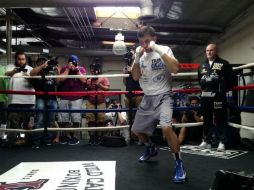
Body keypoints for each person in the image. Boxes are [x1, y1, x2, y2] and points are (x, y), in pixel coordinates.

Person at [131, 26, 186, 183]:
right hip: (147, 98)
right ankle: (150, 147)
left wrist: (157, 49)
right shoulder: (141, 56)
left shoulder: (164, 49)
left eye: (147, 41)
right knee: (136, 130)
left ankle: (179, 164)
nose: (145, 45)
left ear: (155, 39)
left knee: (167, 128)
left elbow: (175, 69)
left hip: (164, 96)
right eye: (141, 42)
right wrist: (136, 58)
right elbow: (135, 77)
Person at [198, 43, 234, 151]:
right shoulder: (202, 66)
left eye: (211, 50)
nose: (209, 52)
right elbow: (200, 81)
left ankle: (221, 142)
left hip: (218, 97)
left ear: (216, 51)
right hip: (205, 97)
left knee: (220, 119)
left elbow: (231, 81)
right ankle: (206, 141)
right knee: (207, 119)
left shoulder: (224, 64)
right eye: (207, 50)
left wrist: (222, 90)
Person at [5, 51, 35, 146]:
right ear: (16, 59)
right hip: (14, 100)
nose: (21, 61)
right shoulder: (10, 67)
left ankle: (28, 141)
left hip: (29, 100)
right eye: (19, 59)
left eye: (23, 59)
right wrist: (15, 71)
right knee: (14, 123)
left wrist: (30, 77)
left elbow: (36, 83)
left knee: (29, 124)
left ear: (25, 59)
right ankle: (13, 142)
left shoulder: (30, 69)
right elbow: (6, 74)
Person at [30, 57, 60, 148]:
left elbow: (57, 83)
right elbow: (31, 74)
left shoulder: (51, 72)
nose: (44, 63)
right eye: (41, 62)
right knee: (40, 120)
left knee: (50, 120)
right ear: (38, 63)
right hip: (41, 98)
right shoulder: (36, 71)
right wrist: (43, 65)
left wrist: (57, 73)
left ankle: (47, 140)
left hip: (52, 98)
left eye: (45, 62)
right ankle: (36, 141)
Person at [58, 55, 86, 145]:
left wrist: (76, 70)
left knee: (76, 119)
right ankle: (67, 136)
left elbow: (84, 80)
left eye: (74, 62)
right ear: (68, 62)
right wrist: (68, 69)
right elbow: (61, 79)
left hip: (76, 97)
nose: (73, 64)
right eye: (71, 62)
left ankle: (75, 137)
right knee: (65, 118)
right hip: (65, 97)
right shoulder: (64, 68)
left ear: (77, 62)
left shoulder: (81, 69)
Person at [85, 60, 110, 145]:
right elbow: (86, 89)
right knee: (90, 120)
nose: (92, 70)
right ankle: (91, 138)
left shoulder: (103, 77)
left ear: (98, 69)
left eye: (94, 68)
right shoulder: (89, 78)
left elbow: (107, 88)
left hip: (101, 102)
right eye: (91, 68)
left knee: (100, 120)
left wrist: (99, 85)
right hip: (90, 102)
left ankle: (99, 137)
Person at [123, 48, 143, 144]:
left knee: (140, 116)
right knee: (129, 117)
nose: (130, 55)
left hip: (139, 93)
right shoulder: (126, 65)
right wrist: (125, 74)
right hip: (128, 94)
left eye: (132, 53)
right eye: (129, 53)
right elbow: (124, 82)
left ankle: (141, 138)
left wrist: (133, 71)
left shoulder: (140, 62)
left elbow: (142, 76)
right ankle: (131, 137)